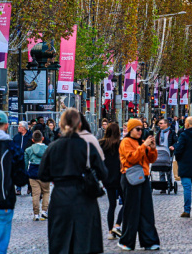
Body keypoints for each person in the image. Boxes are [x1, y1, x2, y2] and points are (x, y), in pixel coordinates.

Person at [39, 108, 108, 253]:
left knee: (60, 241)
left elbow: (43, 175)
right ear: (80, 125)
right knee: (84, 241)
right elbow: (103, 173)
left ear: (61, 125)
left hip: (60, 196)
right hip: (84, 197)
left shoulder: (53, 147)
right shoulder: (87, 146)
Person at [118, 118, 161, 250]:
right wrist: (144, 146)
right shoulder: (126, 142)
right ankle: (126, 241)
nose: (140, 131)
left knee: (146, 210)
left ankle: (150, 241)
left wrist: (152, 148)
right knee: (132, 211)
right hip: (131, 178)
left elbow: (151, 159)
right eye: (138, 129)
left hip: (143, 177)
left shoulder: (140, 142)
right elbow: (131, 158)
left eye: (141, 129)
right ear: (131, 129)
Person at [0, 110, 28, 253]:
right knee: (0, 244)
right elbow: (21, 179)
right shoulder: (13, 147)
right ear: (6, 126)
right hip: (4, 200)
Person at [99, 122, 124, 240]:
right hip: (120, 176)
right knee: (127, 202)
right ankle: (117, 224)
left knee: (112, 205)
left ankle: (110, 231)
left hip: (107, 177)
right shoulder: (121, 143)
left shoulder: (101, 144)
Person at [24, 131, 49, 221]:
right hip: (45, 172)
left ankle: (36, 214)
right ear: (42, 138)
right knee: (46, 192)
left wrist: (25, 172)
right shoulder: (48, 149)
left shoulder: (29, 150)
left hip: (33, 172)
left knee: (35, 194)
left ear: (33, 140)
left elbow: (26, 163)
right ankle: (44, 211)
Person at [155, 118, 177, 193]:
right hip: (160, 153)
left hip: (168, 153)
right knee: (160, 169)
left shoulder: (171, 132)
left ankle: (169, 184)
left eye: (161, 123)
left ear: (166, 124)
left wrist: (173, 146)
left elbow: (175, 141)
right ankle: (162, 186)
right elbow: (156, 142)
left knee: (168, 170)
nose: (159, 125)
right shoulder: (159, 132)